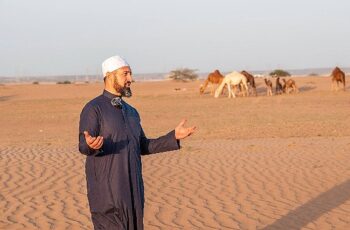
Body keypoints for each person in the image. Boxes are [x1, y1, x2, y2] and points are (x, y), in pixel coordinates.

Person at [78, 55, 196, 229]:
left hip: (133, 193)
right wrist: (90, 145)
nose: (130, 79)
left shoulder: (131, 112)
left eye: (130, 74)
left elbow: (143, 146)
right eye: (125, 74)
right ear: (110, 75)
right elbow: (83, 144)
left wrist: (173, 137)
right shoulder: (94, 108)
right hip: (107, 194)